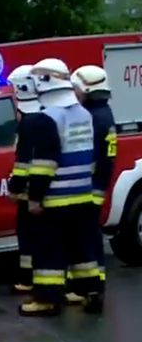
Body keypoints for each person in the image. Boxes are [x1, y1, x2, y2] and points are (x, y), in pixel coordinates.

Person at [19, 58, 104, 317]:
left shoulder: (47, 118)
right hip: (82, 195)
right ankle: (91, 292)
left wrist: (34, 198)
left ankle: (46, 300)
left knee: (49, 251)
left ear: (44, 82)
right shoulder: (83, 113)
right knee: (83, 249)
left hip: (55, 198)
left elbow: (45, 163)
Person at [72, 64, 114, 310]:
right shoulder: (103, 113)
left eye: (76, 89)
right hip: (96, 188)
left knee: (87, 241)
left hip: (89, 189)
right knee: (90, 239)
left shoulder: (92, 118)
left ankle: (92, 289)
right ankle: (93, 287)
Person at [6, 64, 45, 295]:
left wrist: (15, 187)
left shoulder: (29, 122)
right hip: (40, 190)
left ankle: (29, 280)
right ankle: (30, 278)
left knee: (29, 236)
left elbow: (23, 162)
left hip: (29, 192)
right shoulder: (44, 115)